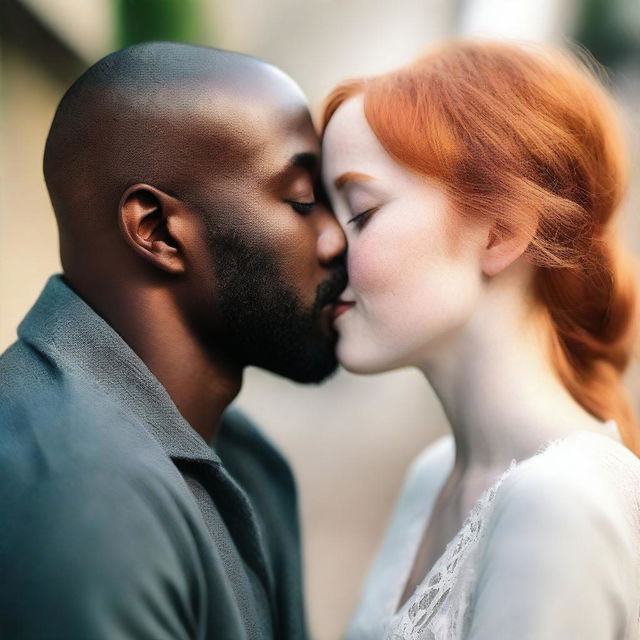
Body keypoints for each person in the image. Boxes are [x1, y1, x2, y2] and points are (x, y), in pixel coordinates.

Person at [0, 42, 347, 639]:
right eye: (304, 202)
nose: (336, 239)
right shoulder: (83, 499)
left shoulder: (244, 455)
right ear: (157, 231)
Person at [322, 40, 640, 639]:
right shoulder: (433, 475)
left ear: (501, 231)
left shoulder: (562, 500)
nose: (326, 246)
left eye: (360, 212)